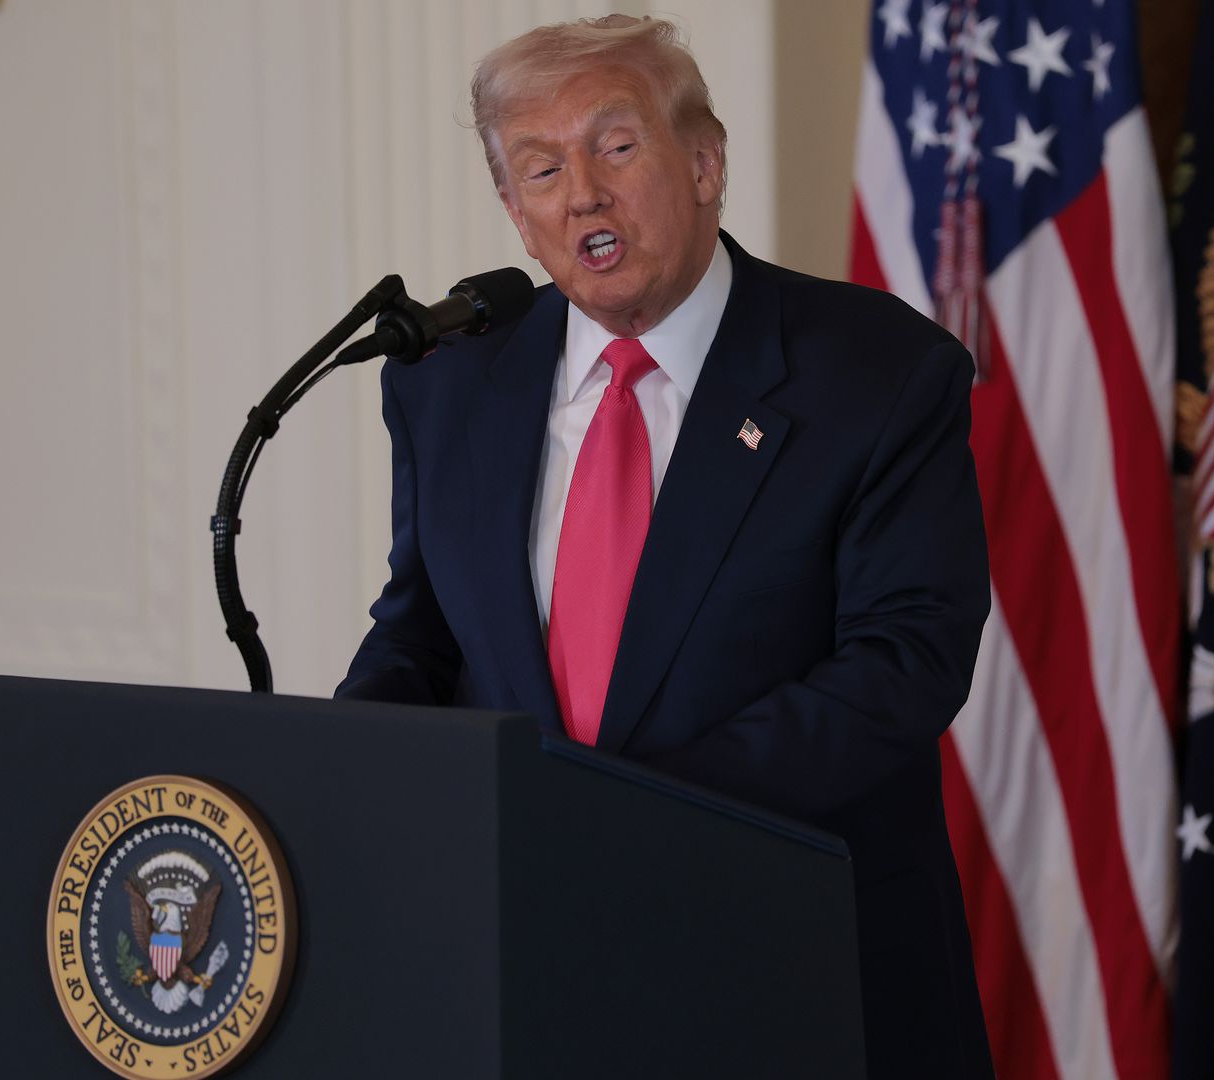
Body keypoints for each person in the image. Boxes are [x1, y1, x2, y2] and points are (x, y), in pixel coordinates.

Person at [337, 15, 993, 1077]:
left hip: (793, 957)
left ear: (703, 161)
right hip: (525, 967)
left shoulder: (878, 372)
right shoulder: (447, 379)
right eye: (541, 169)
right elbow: (419, 638)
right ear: (516, 212)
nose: (582, 192)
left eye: (616, 145)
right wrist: (346, 780)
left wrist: (626, 819)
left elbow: (905, 663)